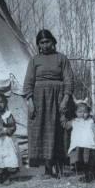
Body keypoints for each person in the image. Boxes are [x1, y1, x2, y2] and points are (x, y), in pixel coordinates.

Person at [23, 29, 74, 179]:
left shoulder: (61, 58)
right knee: (41, 131)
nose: (45, 45)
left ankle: (59, 167)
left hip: (59, 97)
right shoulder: (34, 60)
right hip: (40, 99)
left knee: (60, 130)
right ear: (38, 45)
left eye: (47, 42)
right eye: (41, 43)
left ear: (53, 42)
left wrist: (65, 98)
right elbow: (28, 83)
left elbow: (69, 80)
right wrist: (30, 102)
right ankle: (46, 169)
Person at [61, 102, 95, 183]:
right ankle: (83, 174)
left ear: (89, 112)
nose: (82, 114)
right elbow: (64, 124)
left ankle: (89, 175)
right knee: (80, 161)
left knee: (89, 161)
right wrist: (62, 114)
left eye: (85, 112)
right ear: (76, 112)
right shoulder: (74, 121)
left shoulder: (91, 120)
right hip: (78, 146)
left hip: (89, 145)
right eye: (80, 112)